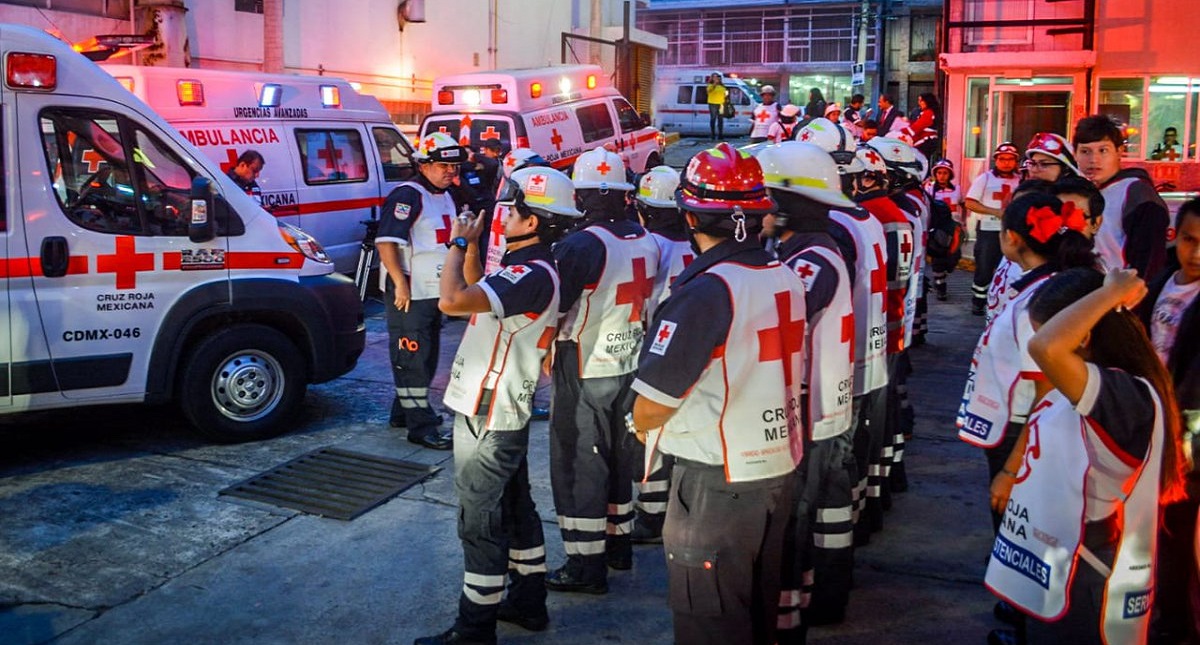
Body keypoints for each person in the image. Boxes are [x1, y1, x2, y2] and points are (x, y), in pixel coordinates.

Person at [629, 141, 802, 645]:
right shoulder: (782, 274)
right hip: (774, 469)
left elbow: (652, 405)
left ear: (691, 218)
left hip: (715, 480)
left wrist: (637, 422)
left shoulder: (707, 291)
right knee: (753, 608)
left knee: (709, 619)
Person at [415, 167, 581, 645]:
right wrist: (472, 257)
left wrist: (457, 242)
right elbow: (477, 291)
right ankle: (528, 602)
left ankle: (474, 630)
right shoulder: (531, 268)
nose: (505, 214)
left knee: (479, 521)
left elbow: (450, 301)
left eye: (514, 209)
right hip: (505, 407)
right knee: (514, 508)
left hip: (488, 413)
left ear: (534, 222)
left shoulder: (528, 273)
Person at [985, 266, 1187, 645]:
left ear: (1083, 334)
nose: (1040, 349)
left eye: (1047, 328)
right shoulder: (1092, 384)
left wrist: (1111, 294)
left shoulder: (1123, 396)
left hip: (1089, 572)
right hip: (1065, 558)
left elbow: (1045, 347)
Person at [545, 147, 659, 593]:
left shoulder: (579, 244)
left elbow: (553, 307)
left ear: (585, 194)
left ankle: (584, 564)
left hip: (584, 361)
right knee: (616, 458)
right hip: (629, 360)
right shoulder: (643, 237)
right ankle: (618, 545)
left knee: (578, 464)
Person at [757, 141, 857, 638]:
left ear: (789, 203)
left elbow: (776, 325)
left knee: (795, 518)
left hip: (812, 412)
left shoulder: (809, 261)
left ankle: (788, 617)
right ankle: (821, 597)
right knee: (820, 510)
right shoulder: (812, 249)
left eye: (766, 195)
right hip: (824, 406)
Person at [1137, 198, 1200, 645]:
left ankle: (1177, 623)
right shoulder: (1159, 285)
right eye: (1191, 240)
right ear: (1175, 237)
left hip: (1187, 435)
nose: (1196, 253)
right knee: (1154, 529)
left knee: (1180, 532)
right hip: (1150, 421)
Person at [377, 132, 465, 450]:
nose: (451, 173)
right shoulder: (408, 195)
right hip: (410, 294)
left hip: (434, 292)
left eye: (454, 167)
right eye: (444, 166)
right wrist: (400, 283)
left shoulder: (443, 195)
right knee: (412, 358)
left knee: (424, 358)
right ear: (424, 164)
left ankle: (404, 413)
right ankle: (421, 426)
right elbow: (387, 241)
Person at [627, 165, 694, 544]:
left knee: (647, 433)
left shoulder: (650, 245)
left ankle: (651, 513)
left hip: (654, 346)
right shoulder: (696, 244)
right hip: (691, 348)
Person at [851, 143, 913, 538]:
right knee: (885, 413)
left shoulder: (870, 215)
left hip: (879, 328)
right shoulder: (892, 213)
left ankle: (872, 502)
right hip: (892, 324)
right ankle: (883, 489)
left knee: (870, 422)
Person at [1073, 114, 1171, 278]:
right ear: (1075, 153)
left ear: (1119, 151)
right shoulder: (1079, 192)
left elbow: (1150, 261)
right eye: (1085, 151)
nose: (1093, 160)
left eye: (1103, 150)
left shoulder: (1136, 193)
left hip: (1123, 296)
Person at [965, 142, 1022, 315]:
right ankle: (978, 301)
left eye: (1010, 159)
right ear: (996, 160)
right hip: (989, 229)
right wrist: (995, 212)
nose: (1006, 163)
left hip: (1012, 231)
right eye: (1002, 159)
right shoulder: (985, 178)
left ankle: (1005, 300)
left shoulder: (1021, 180)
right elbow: (970, 202)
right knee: (984, 265)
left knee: (1011, 267)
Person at [925, 159, 963, 300]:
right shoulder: (929, 189)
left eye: (945, 173)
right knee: (938, 257)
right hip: (938, 229)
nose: (942, 176)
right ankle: (940, 286)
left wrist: (962, 222)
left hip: (954, 229)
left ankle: (942, 275)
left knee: (954, 257)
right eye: (939, 173)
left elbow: (963, 204)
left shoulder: (957, 189)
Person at [900, 93, 940, 160]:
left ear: (927, 101)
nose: (919, 103)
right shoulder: (928, 112)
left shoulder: (928, 113)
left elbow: (917, 127)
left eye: (921, 100)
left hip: (927, 142)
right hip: (928, 141)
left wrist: (901, 130)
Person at [706, 72, 727, 141]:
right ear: (712, 78)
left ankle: (720, 134)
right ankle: (713, 134)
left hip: (721, 104)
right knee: (713, 118)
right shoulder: (710, 85)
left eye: (717, 77)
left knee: (720, 119)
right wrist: (714, 83)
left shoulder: (722, 86)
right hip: (713, 103)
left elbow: (725, 94)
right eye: (714, 77)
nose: (716, 78)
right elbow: (709, 91)